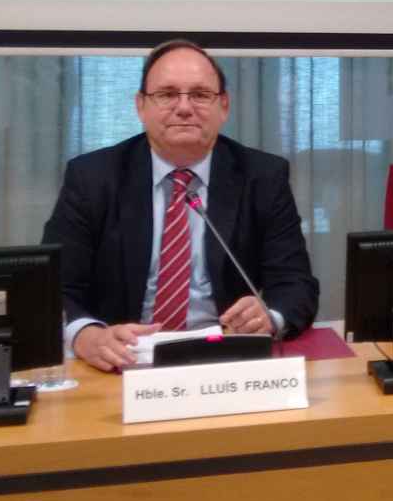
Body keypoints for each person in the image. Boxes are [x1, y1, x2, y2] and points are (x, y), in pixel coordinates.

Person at [41, 39, 319, 371]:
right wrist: (87, 335)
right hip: (123, 359)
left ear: (224, 107)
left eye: (201, 95)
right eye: (167, 94)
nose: (184, 107)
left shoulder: (262, 176)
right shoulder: (93, 177)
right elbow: (53, 288)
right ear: (140, 106)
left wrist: (269, 318)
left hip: (224, 360)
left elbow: (295, 284)